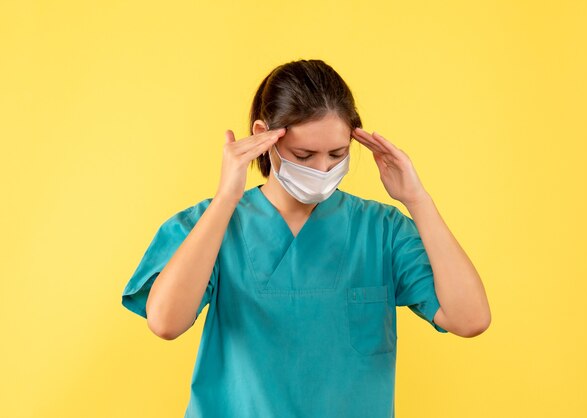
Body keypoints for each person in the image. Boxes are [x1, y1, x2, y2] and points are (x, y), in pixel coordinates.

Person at [121, 59, 491, 418]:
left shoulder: (382, 230)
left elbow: (470, 319)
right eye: (304, 155)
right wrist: (225, 200)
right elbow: (166, 322)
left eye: (337, 154)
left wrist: (417, 199)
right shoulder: (211, 225)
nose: (322, 170)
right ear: (263, 135)